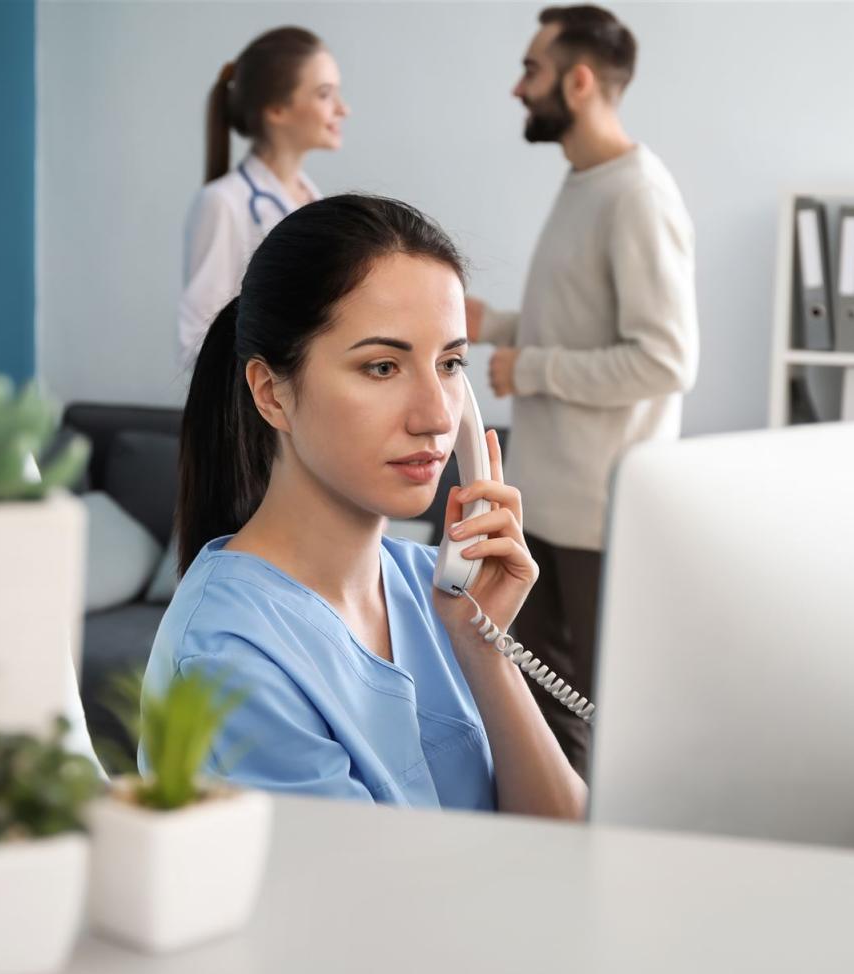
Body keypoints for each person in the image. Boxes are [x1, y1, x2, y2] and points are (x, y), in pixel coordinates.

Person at [141, 194, 587, 820]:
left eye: (451, 363)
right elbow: (371, 910)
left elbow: (567, 841)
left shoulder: (433, 590)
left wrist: (484, 647)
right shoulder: (229, 660)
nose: (437, 415)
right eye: (383, 366)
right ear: (272, 393)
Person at [465, 5, 700, 779]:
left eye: (530, 70)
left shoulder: (638, 194)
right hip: (554, 510)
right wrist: (496, 324)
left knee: (595, 727)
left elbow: (666, 360)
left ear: (579, 80)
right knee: (540, 716)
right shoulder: (587, 183)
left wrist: (527, 367)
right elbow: (581, 319)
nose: (515, 88)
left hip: (600, 522)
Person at [177, 26, 349, 368]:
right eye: (325, 94)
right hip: (258, 410)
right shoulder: (223, 203)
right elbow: (197, 345)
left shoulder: (316, 204)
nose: (343, 109)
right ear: (277, 110)